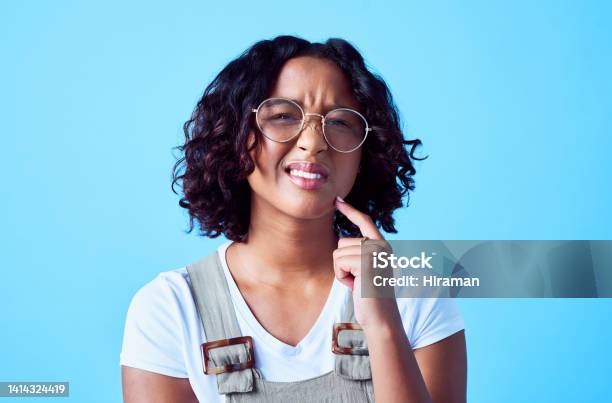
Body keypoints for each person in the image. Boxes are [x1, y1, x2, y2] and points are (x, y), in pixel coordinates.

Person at [120, 35, 467, 402]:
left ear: (365, 153)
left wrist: (384, 326)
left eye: (340, 122)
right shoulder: (170, 308)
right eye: (284, 115)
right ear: (237, 136)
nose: (313, 142)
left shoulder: (417, 293)